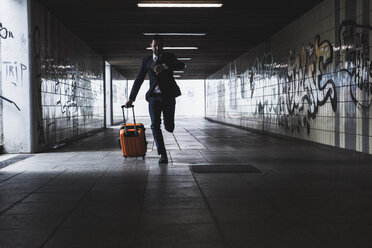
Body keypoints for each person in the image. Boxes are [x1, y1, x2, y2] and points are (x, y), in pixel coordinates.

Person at [125, 35, 185, 163]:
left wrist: (165, 66)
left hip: (168, 97)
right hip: (154, 98)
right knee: (154, 125)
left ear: (163, 46)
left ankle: (168, 124)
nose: (157, 48)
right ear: (151, 46)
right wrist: (131, 98)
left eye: (159, 45)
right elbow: (139, 80)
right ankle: (162, 153)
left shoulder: (169, 57)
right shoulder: (146, 61)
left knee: (169, 127)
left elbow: (181, 65)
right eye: (155, 45)